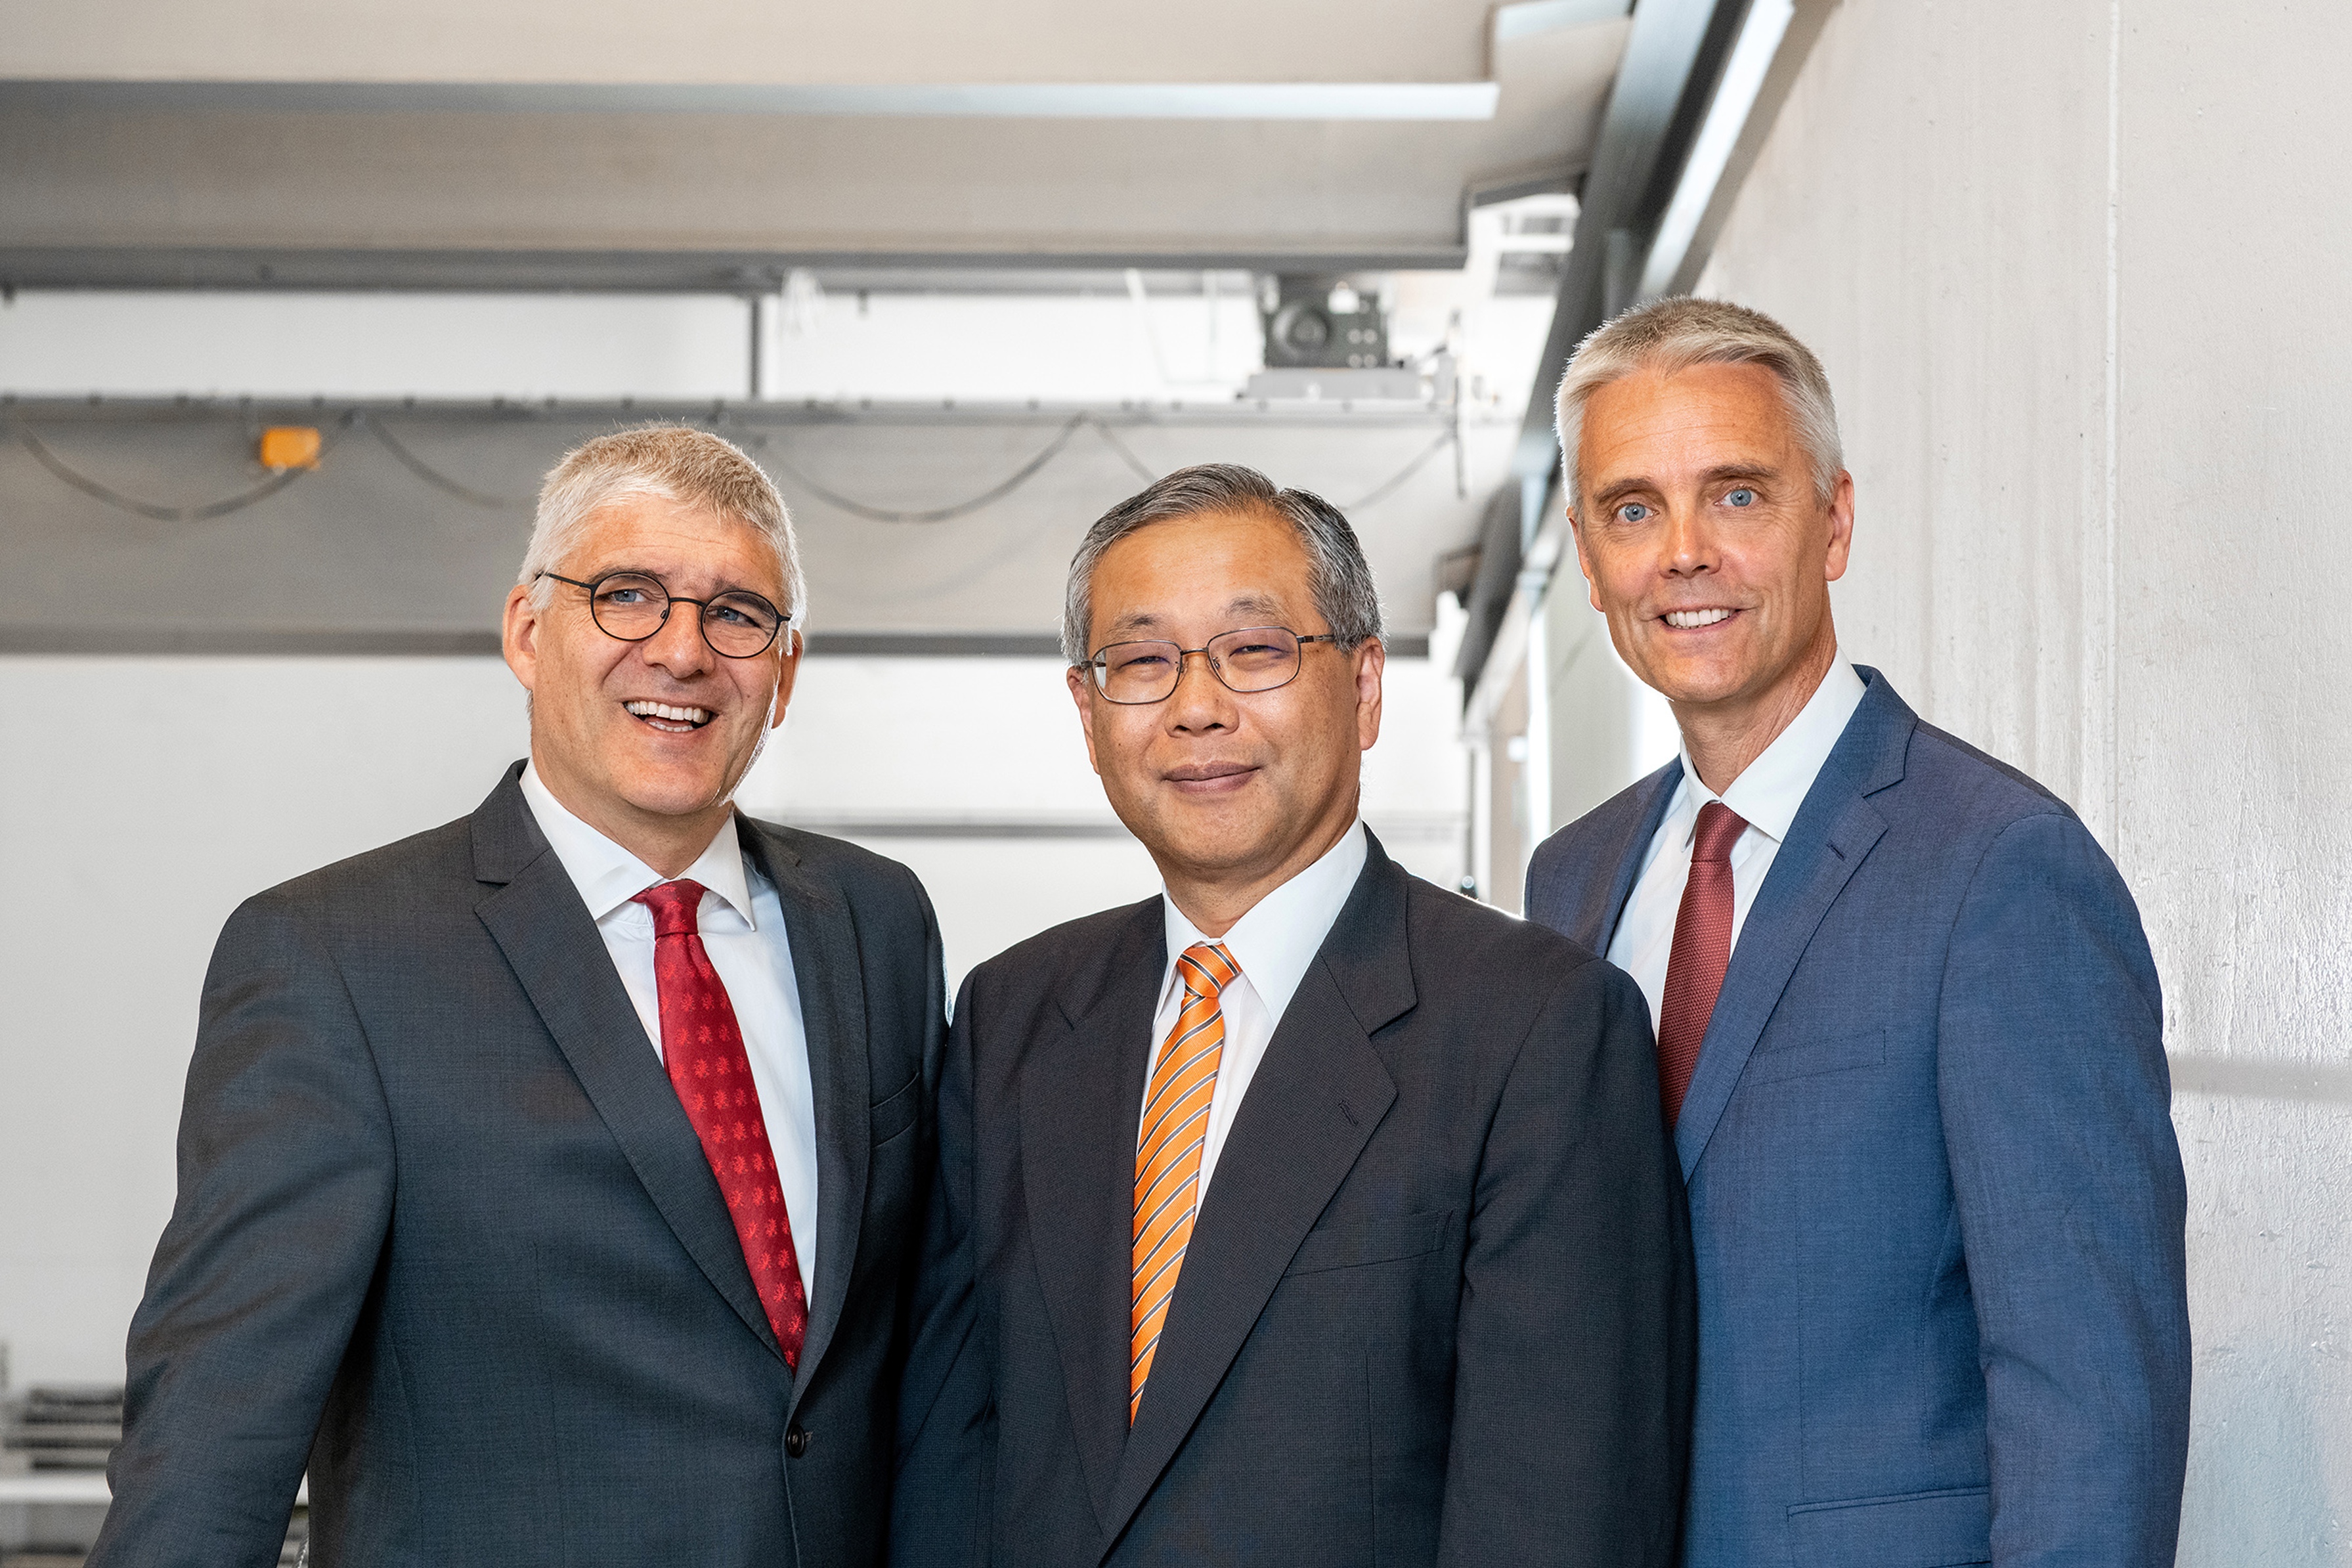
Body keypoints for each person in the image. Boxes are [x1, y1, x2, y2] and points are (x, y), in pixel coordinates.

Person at [89, 426, 944, 1567]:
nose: (683, 653)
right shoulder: (333, 957)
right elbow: (215, 1424)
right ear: (528, 632)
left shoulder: (875, 922)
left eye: (738, 614)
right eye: (627, 595)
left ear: (782, 674)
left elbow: (929, 1343)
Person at [891, 464, 1693, 1568]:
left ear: (1365, 687)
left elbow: (1560, 1511)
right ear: (1087, 713)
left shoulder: (1537, 1030)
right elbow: (951, 1450)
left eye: (1254, 651)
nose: (1196, 706)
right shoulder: (1011, 1018)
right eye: (1140, 662)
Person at [1525, 298, 2190, 1567]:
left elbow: (2090, 1391)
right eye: (1631, 509)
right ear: (1586, 553)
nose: (1681, 554)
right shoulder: (1573, 878)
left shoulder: (2000, 869)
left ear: (1832, 521)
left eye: (1734, 495)